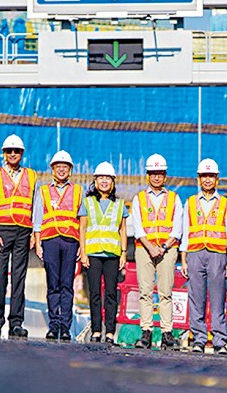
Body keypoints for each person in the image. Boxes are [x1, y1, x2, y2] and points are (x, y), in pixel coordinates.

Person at [180, 158, 227, 355]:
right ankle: (199, 339)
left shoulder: (226, 204)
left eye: (211, 176)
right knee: (196, 298)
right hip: (195, 254)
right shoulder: (190, 202)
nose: (207, 180)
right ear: (198, 178)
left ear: (217, 178)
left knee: (218, 298)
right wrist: (184, 259)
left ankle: (220, 340)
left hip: (217, 255)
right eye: (204, 176)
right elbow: (185, 232)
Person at [130, 153, 183, 350]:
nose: (156, 177)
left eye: (160, 173)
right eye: (153, 173)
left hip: (167, 250)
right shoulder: (139, 199)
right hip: (144, 248)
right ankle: (146, 332)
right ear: (148, 175)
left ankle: (167, 333)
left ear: (165, 175)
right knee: (144, 292)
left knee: (166, 292)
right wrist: (151, 247)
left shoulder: (174, 199)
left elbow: (177, 228)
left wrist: (164, 247)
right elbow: (138, 227)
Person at [0, 134, 37, 339]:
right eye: (10, 151)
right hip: (3, 230)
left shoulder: (31, 176)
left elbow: (36, 206)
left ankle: (16, 322)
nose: (13, 154)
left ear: (22, 153)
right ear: (4, 154)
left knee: (19, 278)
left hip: (23, 230)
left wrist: (35, 232)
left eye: (16, 151)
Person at [34, 150, 83, 341]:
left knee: (67, 285)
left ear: (70, 170)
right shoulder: (44, 191)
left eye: (65, 167)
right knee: (53, 284)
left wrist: (81, 245)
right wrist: (38, 244)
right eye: (58, 166)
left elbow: (82, 220)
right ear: (53, 169)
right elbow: (37, 219)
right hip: (50, 241)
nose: (61, 170)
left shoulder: (78, 191)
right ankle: (54, 325)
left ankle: (66, 326)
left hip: (70, 241)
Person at [79, 161, 128, 345]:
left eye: (108, 178)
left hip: (112, 255)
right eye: (101, 178)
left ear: (113, 181)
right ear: (95, 181)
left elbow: (123, 230)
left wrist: (123, 253)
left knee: (110, 294)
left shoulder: (120, 204)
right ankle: (96, 330)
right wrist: (83, 253)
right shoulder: (87, 202)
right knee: (94, 293)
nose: (104, 181)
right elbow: (82, 228)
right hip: (92, 253)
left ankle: (110, 332)